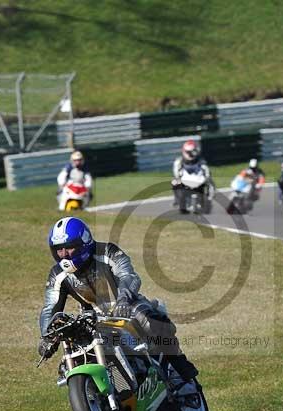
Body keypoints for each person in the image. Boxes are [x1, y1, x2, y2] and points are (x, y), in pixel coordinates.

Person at [38, 217, 199, 383]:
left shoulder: (107, 251)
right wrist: (46, 336)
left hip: (127, 306)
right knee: (71, 357)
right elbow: (50, 307)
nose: (64, 254)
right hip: (92, 319)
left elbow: (128, 275)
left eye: (69, 248)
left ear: (83, 243)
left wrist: (123, 299)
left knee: (149, 320)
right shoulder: (57, 275)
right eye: (59, 250)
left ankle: (179, 363)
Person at [172, 140, 214, 204]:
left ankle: (209, 198)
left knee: (210, 182)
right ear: (184, 151)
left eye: (192, 152)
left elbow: (207, 171)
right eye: (188, 152)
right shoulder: (179, 161)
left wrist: (207, 177)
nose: (191, 154)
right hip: (185, 180)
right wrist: (178, 178)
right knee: (174, 182)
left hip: (199, 180)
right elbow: (176, 173)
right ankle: (177, 200)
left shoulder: (201, 161)